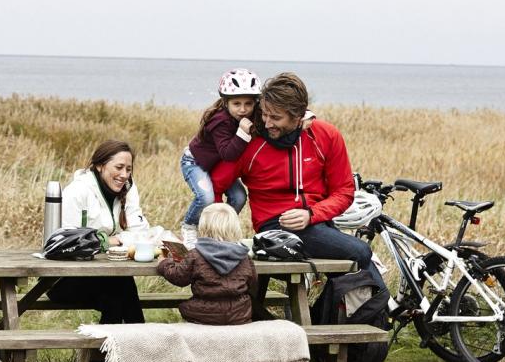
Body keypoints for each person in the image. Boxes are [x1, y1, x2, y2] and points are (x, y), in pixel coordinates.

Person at [210, 73, 385, 291]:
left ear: (298, 116)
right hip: (274, 227)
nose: (267, 123)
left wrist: (312, 214)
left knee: (358, 264)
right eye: (264, 114)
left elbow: (344, 191)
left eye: (276, 118)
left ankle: (345, 318)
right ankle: (373, 319)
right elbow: (216, 185)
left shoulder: (326, 135)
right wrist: (217, 233)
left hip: (316, 223)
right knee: (361, 252)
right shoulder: (249, 141)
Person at [49, 139, 149, 362]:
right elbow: (66, 239)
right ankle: (142, 358)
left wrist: (116, 240)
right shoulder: (78, 191)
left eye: (129, 169)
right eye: (118, 167)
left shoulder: (127, 188)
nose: (124, 175)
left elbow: (139, 231)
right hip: (64, 280)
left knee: (118, 291)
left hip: (103, 278)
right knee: (120, 288)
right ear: (100, 165)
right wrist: (110, 240)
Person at [178, 68, 258, 246]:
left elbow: (276, 105)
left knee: (239, 197)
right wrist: (243, 133)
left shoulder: (251, 113)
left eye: (248, 104)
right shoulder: (220, 121)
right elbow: (227, 154)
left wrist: (305, 113)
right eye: (237, 104)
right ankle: (189, 227)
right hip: (195, 163)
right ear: (226, 102)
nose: (243, 110)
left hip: (214, 164)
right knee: (205, 197)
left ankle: (222, 230)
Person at [156, 203, 255, 325]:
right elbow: (253, 283)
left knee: (185, 307)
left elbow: (179, 278)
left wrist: (164, 263)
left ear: (203, 228)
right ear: (235, 228)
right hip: (239, 315)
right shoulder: (244, 257)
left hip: (203, 314)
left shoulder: (196, 255)